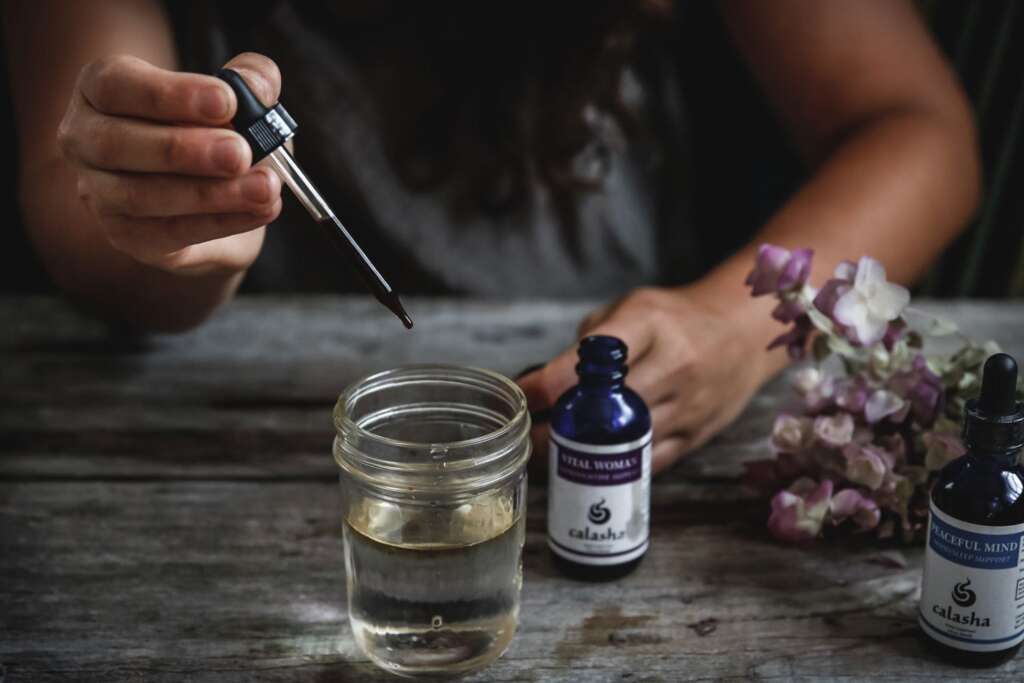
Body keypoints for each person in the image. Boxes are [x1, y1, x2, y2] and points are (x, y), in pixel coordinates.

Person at [5, 1, 980, 472]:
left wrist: (733, 325)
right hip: (250, 439)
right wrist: (166, 228)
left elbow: (920, 135)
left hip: (619, 414)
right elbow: (77, 213)